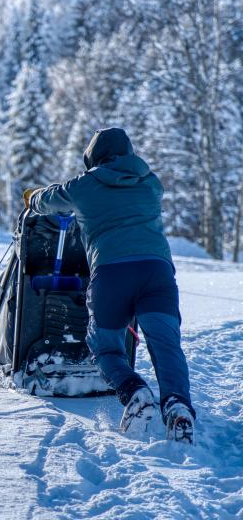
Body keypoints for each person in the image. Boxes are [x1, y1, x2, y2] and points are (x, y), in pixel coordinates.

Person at [25, 127, 195, 443]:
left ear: (93, 159)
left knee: (105, 347)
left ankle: (134, 392)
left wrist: (32, 197)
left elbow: (48, 201)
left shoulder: (84, 185)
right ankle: (177, 406)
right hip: (157, 273)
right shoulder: (151, 183)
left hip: (112, 273)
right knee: (166, 345)